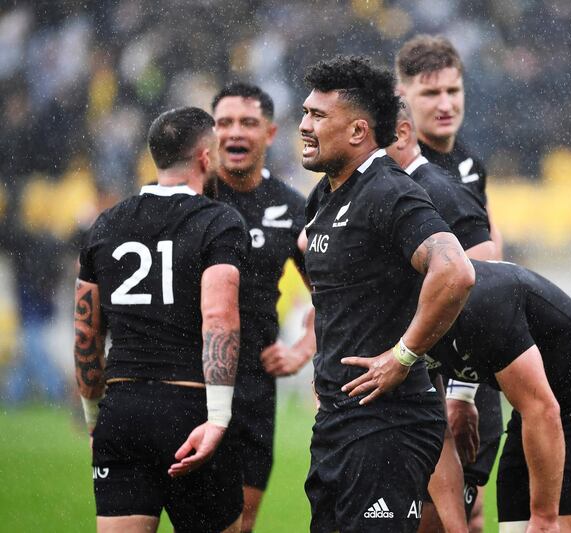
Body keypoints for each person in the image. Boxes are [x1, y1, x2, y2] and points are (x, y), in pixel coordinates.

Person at [299, 55, 475, 533]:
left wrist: (403, 355)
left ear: (358, 132)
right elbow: (317, 256)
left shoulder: (386, 191)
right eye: (305, 113)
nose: (304, 126)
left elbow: (455, 269)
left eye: (317, 117)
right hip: (339, 419)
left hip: (388, 423)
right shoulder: (330, 193)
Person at [345, 259, 571, 533]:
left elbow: (542, 409)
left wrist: (545, 517)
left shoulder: (481, 305)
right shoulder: (399, 331)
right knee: (516, 528)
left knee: (561, 527)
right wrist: (456, 527)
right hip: (535, 407)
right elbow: (439, 432)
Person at [74, 107, 249, 533]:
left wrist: (96, 417)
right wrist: (219, 417)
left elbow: (85, 333)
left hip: (123, 409)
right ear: (205, 157)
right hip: (189, 410)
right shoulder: (218, 221)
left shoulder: (106, 224)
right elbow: (218, 317)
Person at [396, 34, 503, 531]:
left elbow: (488, 258)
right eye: (429, 94)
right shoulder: (394, 171)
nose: (445, 105)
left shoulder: (468, 164)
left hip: (469, 363)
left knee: (470, 509)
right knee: (430, 515)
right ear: (403, 97)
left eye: (453, 91)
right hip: (422, 366)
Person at [211, 82, 314, 533]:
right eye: (225, 123)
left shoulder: (291, 207)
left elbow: (333, 292)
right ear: (210, 134)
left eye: (248, 123)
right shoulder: (191, 198)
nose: (236, 132)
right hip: (189, 378)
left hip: (255, 382)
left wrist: (304, 347)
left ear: (269, 133)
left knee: (242, 523)